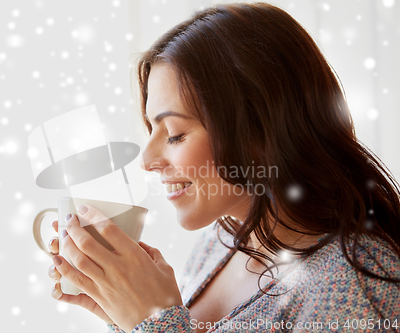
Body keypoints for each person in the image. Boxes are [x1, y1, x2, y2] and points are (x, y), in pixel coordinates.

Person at [46, 2, 400, 332]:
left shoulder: (356, 284)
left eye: (174, 134)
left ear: (259, 131)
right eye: (151, 129)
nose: (147, 162)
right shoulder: (220, 241)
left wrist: (152, 321)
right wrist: (125, 309)